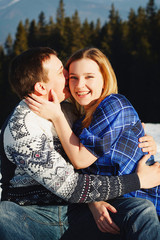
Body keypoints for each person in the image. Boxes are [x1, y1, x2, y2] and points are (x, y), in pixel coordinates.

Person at [1, 47, 160, 240]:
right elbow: (72, 185)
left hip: (76, 210)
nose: (69, 77)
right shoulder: (21, 129)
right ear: (41, 87)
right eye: (63, 72)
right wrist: (138, 180)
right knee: (4, 215)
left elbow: (100, 139)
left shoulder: (69, 111)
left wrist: (136, 135)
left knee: (141, 210)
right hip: (33, 214)